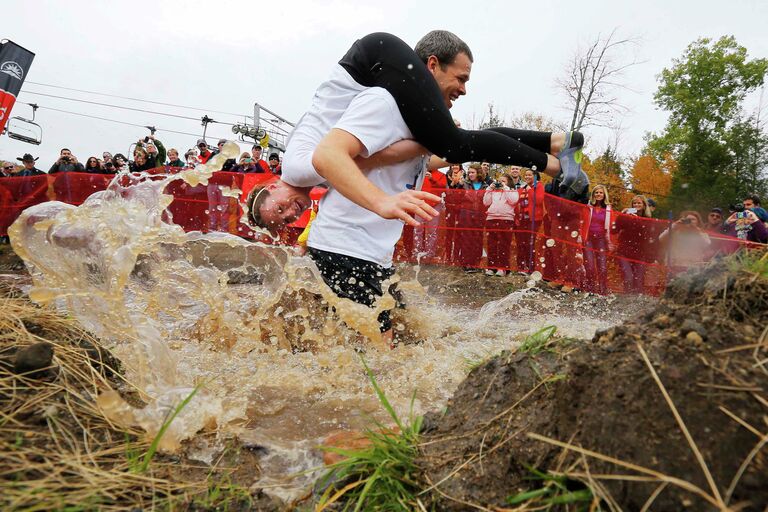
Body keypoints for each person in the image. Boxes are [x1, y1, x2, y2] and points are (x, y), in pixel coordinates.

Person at [261, 30, 587, 233]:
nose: (291, 212)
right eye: (287, 220)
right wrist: (428, 145)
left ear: (273, 185)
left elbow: (374, 158)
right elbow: (380, 158)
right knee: (457, 141)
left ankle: (558, 167)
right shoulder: (304, 170)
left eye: (280, 208)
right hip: (373, 61)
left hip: (374, 59)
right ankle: (556, 142)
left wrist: (417, 150)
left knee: (455, 144)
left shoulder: (299, 169)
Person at [614, 195, 655, 293]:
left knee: (639, 280)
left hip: (640, 253)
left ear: (644, 205)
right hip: (624, 252)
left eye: (639, 203)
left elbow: (647, 235)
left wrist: (637, 220)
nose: (636, 205)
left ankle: (636, 304)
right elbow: (615, 229)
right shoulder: (627, 216)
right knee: (628, 278)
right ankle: (626, 302)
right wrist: (621, 215)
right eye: (634, 203)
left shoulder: (648, 219)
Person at [483, 173, 519, 276]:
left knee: (504, 245)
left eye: (503, 181)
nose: (501, 183)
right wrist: (490, 188)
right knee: (491, 244)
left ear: (509, 182)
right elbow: (486, 202)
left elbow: (513, 201)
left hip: (506, 220)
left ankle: (502, 268)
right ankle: (491, 267)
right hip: (492, 219)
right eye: (500, 181)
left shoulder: (512, 191)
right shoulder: (494, 191)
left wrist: (505, 187)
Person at [581, 185, 614, 295]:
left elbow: (612, 225)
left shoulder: (608, 209)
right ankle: (590, 289)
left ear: (604, 195)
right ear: (593, 194)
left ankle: (602, 290)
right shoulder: (588, 206)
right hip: (588, 238)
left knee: (602, 267)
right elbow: (581, 221)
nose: (599, 194)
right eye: (596, 192)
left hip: (601, 239)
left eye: (601, 192)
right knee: (589, 266)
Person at [457, 165, 488, 272]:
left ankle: (476, 263)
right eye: (469, 172)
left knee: (478, 239)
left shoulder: (485, 186)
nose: (470, 174)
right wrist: (459, 186)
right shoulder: (464, 184)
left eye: (472, 172)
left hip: (480, 215)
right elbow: (455, 197)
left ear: (478, 173)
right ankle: (466, 263)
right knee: (467, 238)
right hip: (466, 214)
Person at [514, 169, 544, 273]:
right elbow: (516, 201)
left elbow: (539, 200)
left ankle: (531, 268)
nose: (527, 177)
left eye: (529, 175)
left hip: (533, 220)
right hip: (521, 220)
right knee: (521, 243)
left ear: (535, 176)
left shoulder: (538, 186)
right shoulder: (522, 188)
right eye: (526, 175)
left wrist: (529, 189)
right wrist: (516, 217)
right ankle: (521, 267)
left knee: (530, 243)